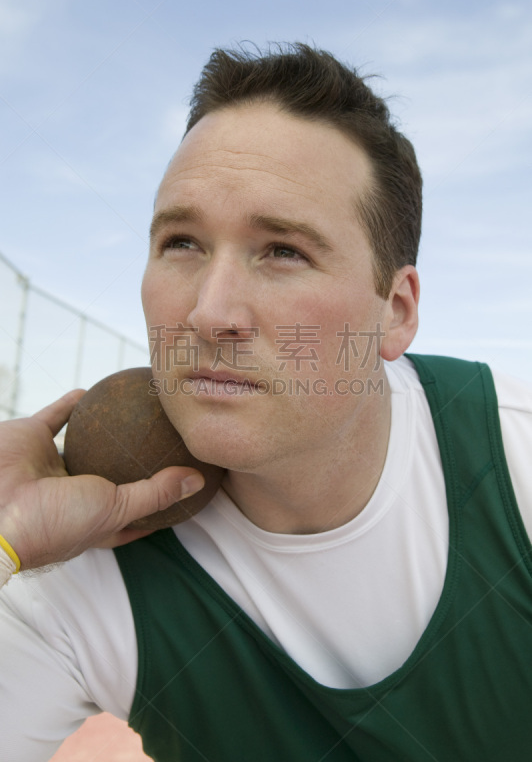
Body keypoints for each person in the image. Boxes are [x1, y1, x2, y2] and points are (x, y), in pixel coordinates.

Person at [1, 43, 532, 761]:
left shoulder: (516, 461)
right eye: (182, 242)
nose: (210, 313)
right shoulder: (71, 558)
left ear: (396, 310)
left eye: (282, 250)